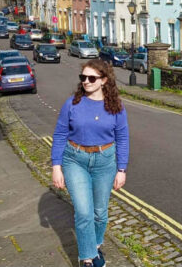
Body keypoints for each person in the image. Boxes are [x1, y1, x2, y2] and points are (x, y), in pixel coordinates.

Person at [51, 60, 129, 267]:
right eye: (83, 77)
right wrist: (56, 166)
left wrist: (121, 169)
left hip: (105, 162)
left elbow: (122, 138)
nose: (86, 81)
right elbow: (60, 134)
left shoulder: (116, 107)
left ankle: (94, 245)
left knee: (99, 213)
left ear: (104, 80)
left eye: (91, 78)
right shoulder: (72, 104)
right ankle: (87, 258)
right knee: (84, 212)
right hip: (75, 159)